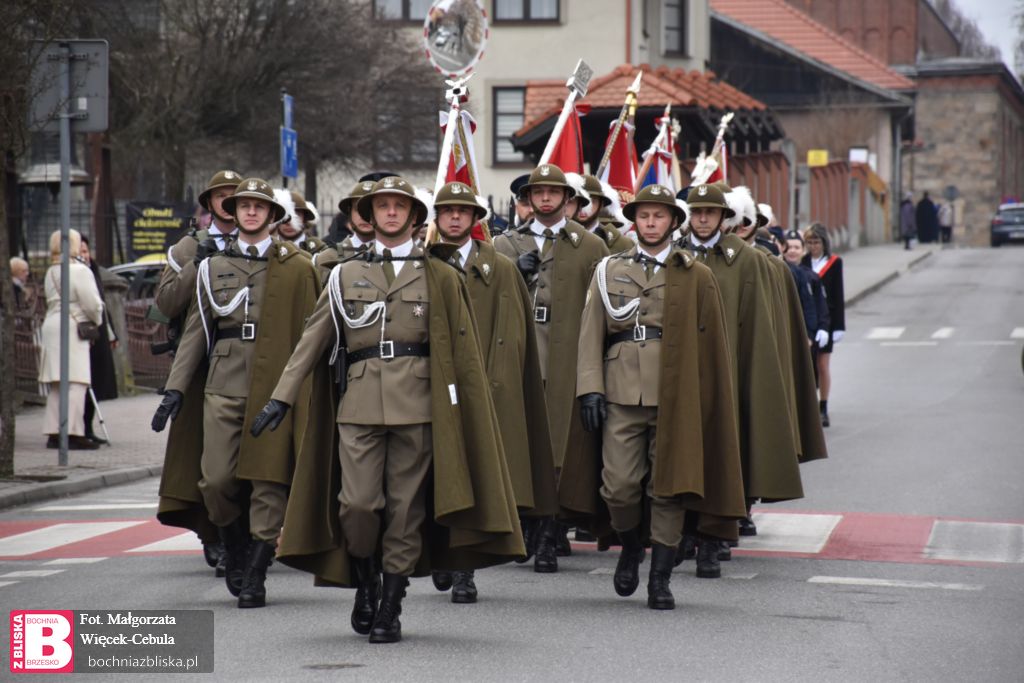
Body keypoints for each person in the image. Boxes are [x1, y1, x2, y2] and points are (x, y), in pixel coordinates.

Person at [256, 175, 523, 644]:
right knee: (357, 507)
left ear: (415, 216)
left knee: (404, 512)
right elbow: (312, 341)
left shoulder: (440, 274)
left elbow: (462, 352)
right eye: (383, 206)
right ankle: (366, 580)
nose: (392, 212)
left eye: (401, 206)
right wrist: (281, 396)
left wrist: (466, 411)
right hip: (358, 405)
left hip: (419, 406)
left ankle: (390, 605)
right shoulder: (344, 274)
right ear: (370, 215)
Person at [151, 177, 320, 609]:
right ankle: (233, 544)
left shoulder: (297, 266)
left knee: (268, 480)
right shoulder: (212, 266)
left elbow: (312, 332)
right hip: (224, 381)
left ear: (273, 216)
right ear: (233, 212)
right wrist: (175, 390)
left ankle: (257, 568)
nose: (250, 211)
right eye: (243, 205)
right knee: (216, 479)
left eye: (259, 206)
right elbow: (196, 332)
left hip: (275, 382)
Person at [577, 184, 744, 609]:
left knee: (667, 487)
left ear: (673, 222)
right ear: (634, 221)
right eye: (644, 216)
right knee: (618, 487)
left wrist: (705, 400)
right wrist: (590, 387)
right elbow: (590, 332)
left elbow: (711, 345)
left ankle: (660, 577)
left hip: (676, 393)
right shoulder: (608, 270)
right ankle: (632, 545)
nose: (651, 223)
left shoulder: (695, 274)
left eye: (659, 216)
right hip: (621, 391)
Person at [430, 181, 558, 603]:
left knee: (477, 475)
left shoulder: (500, 267)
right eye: (446, 210)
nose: (454, 217)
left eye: (462, 211)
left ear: (474, 218)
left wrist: (496, 382)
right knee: (439, 475)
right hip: (434, 387)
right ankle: (442, 552)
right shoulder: (422, 264)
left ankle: (463, 568)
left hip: (485, 386)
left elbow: (514, 330)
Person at [677, 184, 813, 577]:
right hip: (681, 372)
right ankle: (685, 530)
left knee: (725, 456)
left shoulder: (748, 261)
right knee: (682, 454)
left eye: (711, 212)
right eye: (697, 212)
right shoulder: (674, 255)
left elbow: (758, 327)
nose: (703, 219)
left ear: (725, 218)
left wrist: (752, 378)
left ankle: (715, 537)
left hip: (730, 371)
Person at [494, 163, 610, 572]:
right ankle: (527, 521)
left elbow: (602, 307)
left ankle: (550, 531)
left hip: (567, 356)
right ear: (528, 198)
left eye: (553, 192)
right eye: (537, 192)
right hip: (522, 354)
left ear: (568, 199)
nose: (545, 198)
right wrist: (514, 274)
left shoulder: (590, 247)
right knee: (522, 443)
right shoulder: (505, 244)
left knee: (559, 447)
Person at [153, 169, 242, 576]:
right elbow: (164, 306)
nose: (228, 201)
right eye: (221, 195)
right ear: (209, 203)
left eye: (235, 194)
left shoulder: (255, 244)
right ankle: (213, 534)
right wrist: (196, 264)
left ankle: (246, 533)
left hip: (241, 360)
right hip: (199, 365)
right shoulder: (188, 246)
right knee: (201, 453)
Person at [38, 228, 103, 450]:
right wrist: (97, 320)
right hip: (72, 328)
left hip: (52, 325)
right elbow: (92, 304)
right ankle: (73, 431)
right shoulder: (80, 271)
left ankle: (53, 431)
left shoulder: (51, 271)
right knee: (77, 381)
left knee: (58, 383)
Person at [802, 223, 845, 427]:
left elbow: (838, 294)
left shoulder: (834, 263)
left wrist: (839, 326)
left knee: (822, 365)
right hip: (809, 319)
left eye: (816, 242)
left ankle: (823, 406)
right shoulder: (803, 261)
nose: (813, 246)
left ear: (824, 243)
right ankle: (809, 405)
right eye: (809, 242)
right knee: (809, 366)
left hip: (828, 319)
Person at [79, 236, 118, 446]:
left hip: (99, 333)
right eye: (80, 251)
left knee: (97, 381)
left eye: (86, 251)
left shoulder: (93, 271)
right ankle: (81, 428)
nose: (84, 255)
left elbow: (102, 305)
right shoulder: (77, 273)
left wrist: (112, 334)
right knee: (84, 384)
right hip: (84, 333)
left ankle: (88, 426)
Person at [782, 230, 830, 349]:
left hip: (809, 336)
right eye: (789, 247)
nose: (792, 251)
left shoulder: (812, 276)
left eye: (796, 247)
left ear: (803, 251)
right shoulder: (779, 274)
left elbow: (820, 305)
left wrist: (823, 327)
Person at [575, 174, 633, 253]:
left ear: (601, 204)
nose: (584, 208)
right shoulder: (559, 238)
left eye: (592, 201)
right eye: (580, 201)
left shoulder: (622, 244)